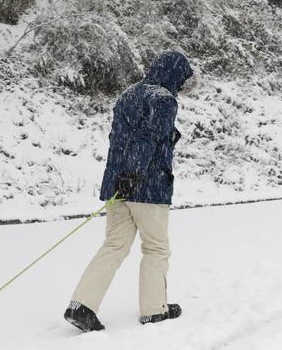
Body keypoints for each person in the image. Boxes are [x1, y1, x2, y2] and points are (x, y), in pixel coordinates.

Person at [65, 50, 196, 332]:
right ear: (174, 75)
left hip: (117, 186)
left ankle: (82, 306)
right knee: (156, 248)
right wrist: (134, 173)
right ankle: (154, 310)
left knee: (114, 246)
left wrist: (121, 178)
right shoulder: (163, 99)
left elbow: (120, 138)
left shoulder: (128, 94)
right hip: (148, 187)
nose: (181, 87)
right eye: (182, 79)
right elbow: (147, 137)